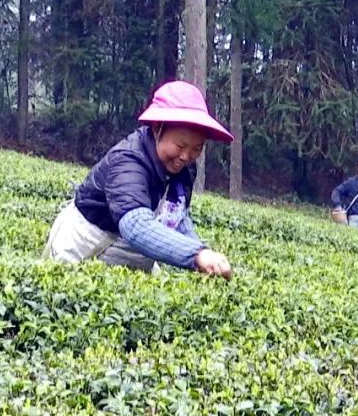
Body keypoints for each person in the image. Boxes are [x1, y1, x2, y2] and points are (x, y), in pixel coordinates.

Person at [42, 80, 233, 278]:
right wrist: (197, 256)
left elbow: (177, 216)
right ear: (158, 128)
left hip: (125, 247)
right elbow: (135, 226)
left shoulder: (183, 168)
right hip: (85, 244)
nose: (186, 156)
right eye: (180, 145)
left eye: (196, 148)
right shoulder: (128, 161)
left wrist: (205, 256)